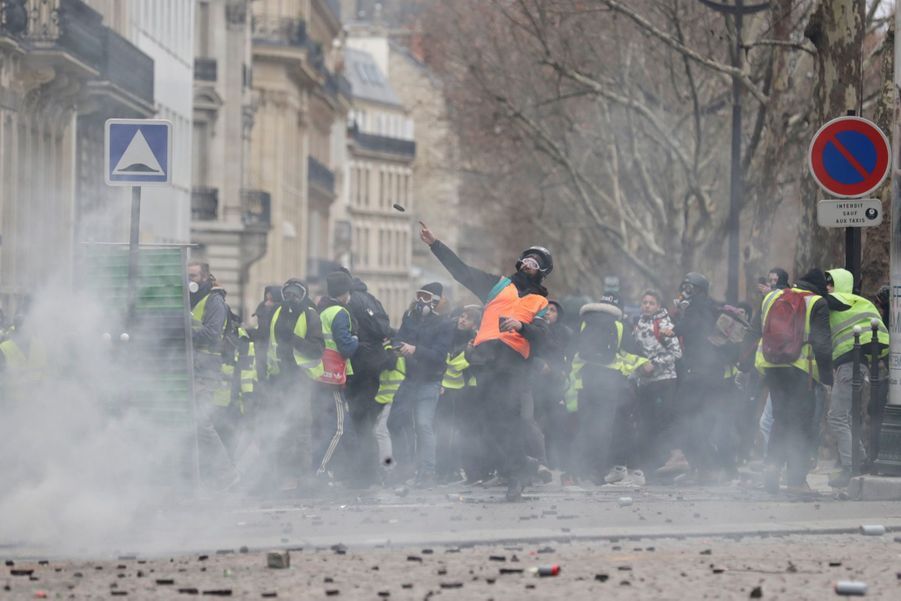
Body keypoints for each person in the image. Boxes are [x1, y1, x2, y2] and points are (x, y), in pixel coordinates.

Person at [419, 222, 552, 501]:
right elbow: (461, 272)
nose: (529, 265)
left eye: (535, 263)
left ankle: (516, 476)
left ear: (542, 272)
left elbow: (543, 336)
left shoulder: (541, 302)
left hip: (514, 366)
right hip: (485, 362)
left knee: (508, 423)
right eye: (526, 259)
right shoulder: (498, 285)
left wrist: (521, 326)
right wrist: (435, 245)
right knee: (481, 424)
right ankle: (523, 466)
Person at [754, 268, 833, 494]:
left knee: (780, 418)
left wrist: (744, 366)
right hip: (800, 369)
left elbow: (754, 330)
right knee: (801, 424)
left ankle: (772, 465)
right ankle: (796, 481)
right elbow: (821, 343)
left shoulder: (772, 296)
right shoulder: (817, 302)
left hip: (771, 365)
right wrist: (827, 377)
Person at [662, 272, 737, 484]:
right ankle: (704, 469)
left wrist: (674, 329)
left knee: (683, 419)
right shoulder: (702, 307)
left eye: (690, 287)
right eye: (685, 286)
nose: (686, 291)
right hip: (706, 375)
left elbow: (694, 326)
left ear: (699, 290)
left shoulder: (699, 307)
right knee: (697, 422)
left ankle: (706, 468)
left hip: (700, 375)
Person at [572, 293, 648, 485]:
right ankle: (600, 472)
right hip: (610, 383)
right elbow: (632, 354)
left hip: (586, 380)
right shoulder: (619, 326)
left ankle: (582, 472)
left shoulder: (584, 324)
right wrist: (645, 364)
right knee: (605, 428)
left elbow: (572, 351)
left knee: (587, 427)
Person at [824, 268, 889, 487]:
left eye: (830, 283)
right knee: (848, 416)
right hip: (860, 364)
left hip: (849, 365)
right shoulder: (860, 302)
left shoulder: (836, 300)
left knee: (838, 417)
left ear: (839, 284)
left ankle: (851, 467)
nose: (827, 288)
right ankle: (859, 460)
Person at [387, 283, 454, 487]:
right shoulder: (410, 317)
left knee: (423, 426)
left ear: (435, 301)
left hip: (429, 381)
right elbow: (400, 337)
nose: (421, 301)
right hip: (410, 380)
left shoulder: (445, 324)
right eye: (419, 296)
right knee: (394, 422)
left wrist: (415, 350)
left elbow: (439, 356)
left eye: (426, 297)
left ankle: (427, 472)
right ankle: (405, 466)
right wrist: (396, 346)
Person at [264, 279, 324, 488]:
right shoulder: (276, 313)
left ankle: (301, 476)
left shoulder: (310, 315)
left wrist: (294, 340)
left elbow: (318, 349)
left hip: (301, 380)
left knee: (300, 430)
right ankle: (280, 475)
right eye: (287, 294)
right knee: (280, 428)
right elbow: (267, 343)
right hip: (278, 378)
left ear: (303, 295)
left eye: (295, 294)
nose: (290, 298)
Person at [188, 261, 238, 489]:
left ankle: (226, 474)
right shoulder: (191, 299)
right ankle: (204, 475)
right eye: (188, 275)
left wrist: (182, 333)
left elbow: (211, 334)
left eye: (194, 275)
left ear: (206, 277)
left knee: (202, 423)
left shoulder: (214, 301)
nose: (191, 280)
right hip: (192, 368)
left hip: (206, 370)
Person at [343, 270, 395, 486]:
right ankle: (373, 473)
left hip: (360, 368)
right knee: (370, 425)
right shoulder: (371, 300)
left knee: (361, 424)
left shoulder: (352, 302)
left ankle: (365, 475)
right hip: (373, 367)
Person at [313, 271, 359, 480]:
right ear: (345, 292)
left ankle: (334, 471)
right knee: (339, 429)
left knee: (329, 426)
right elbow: (346, 346)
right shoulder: (340, 312)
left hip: (322, 374)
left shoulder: (322, 310)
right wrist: (356, 339)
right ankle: (319, 472)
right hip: (333, 376)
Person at [632, 289, 682, 476]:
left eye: (651, 303)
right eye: (644, 302)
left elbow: (676, 353)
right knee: (646, 424)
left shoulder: (664, 324)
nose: (647, 306)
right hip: (645, 383)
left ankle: (669, 462)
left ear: (658, 306)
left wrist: (655, 364)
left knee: (663, 423)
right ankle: (649, 466)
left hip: (664, 381)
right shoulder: (638, 324)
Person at [437, 304, 481, 483]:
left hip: (464, 393)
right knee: (442, 432)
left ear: (475, 324)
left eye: (468, 318)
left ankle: (458, 469)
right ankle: (443, 471)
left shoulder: (475, 342)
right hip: (445, 392)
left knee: (459, 433)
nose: (462, 320)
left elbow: (465, 366)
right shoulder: (450, 336)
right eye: (462, 316)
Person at [532, 300, 574, 479]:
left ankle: (560, 463)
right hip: (535, 384)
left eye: (552, 310)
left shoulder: (565, 333)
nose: (548, 313)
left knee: (557, 423)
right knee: (536, 423)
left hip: (556, 385)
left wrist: (561, 371)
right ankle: (539, 462)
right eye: (545, 310)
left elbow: (568, 357)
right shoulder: (535, 331)